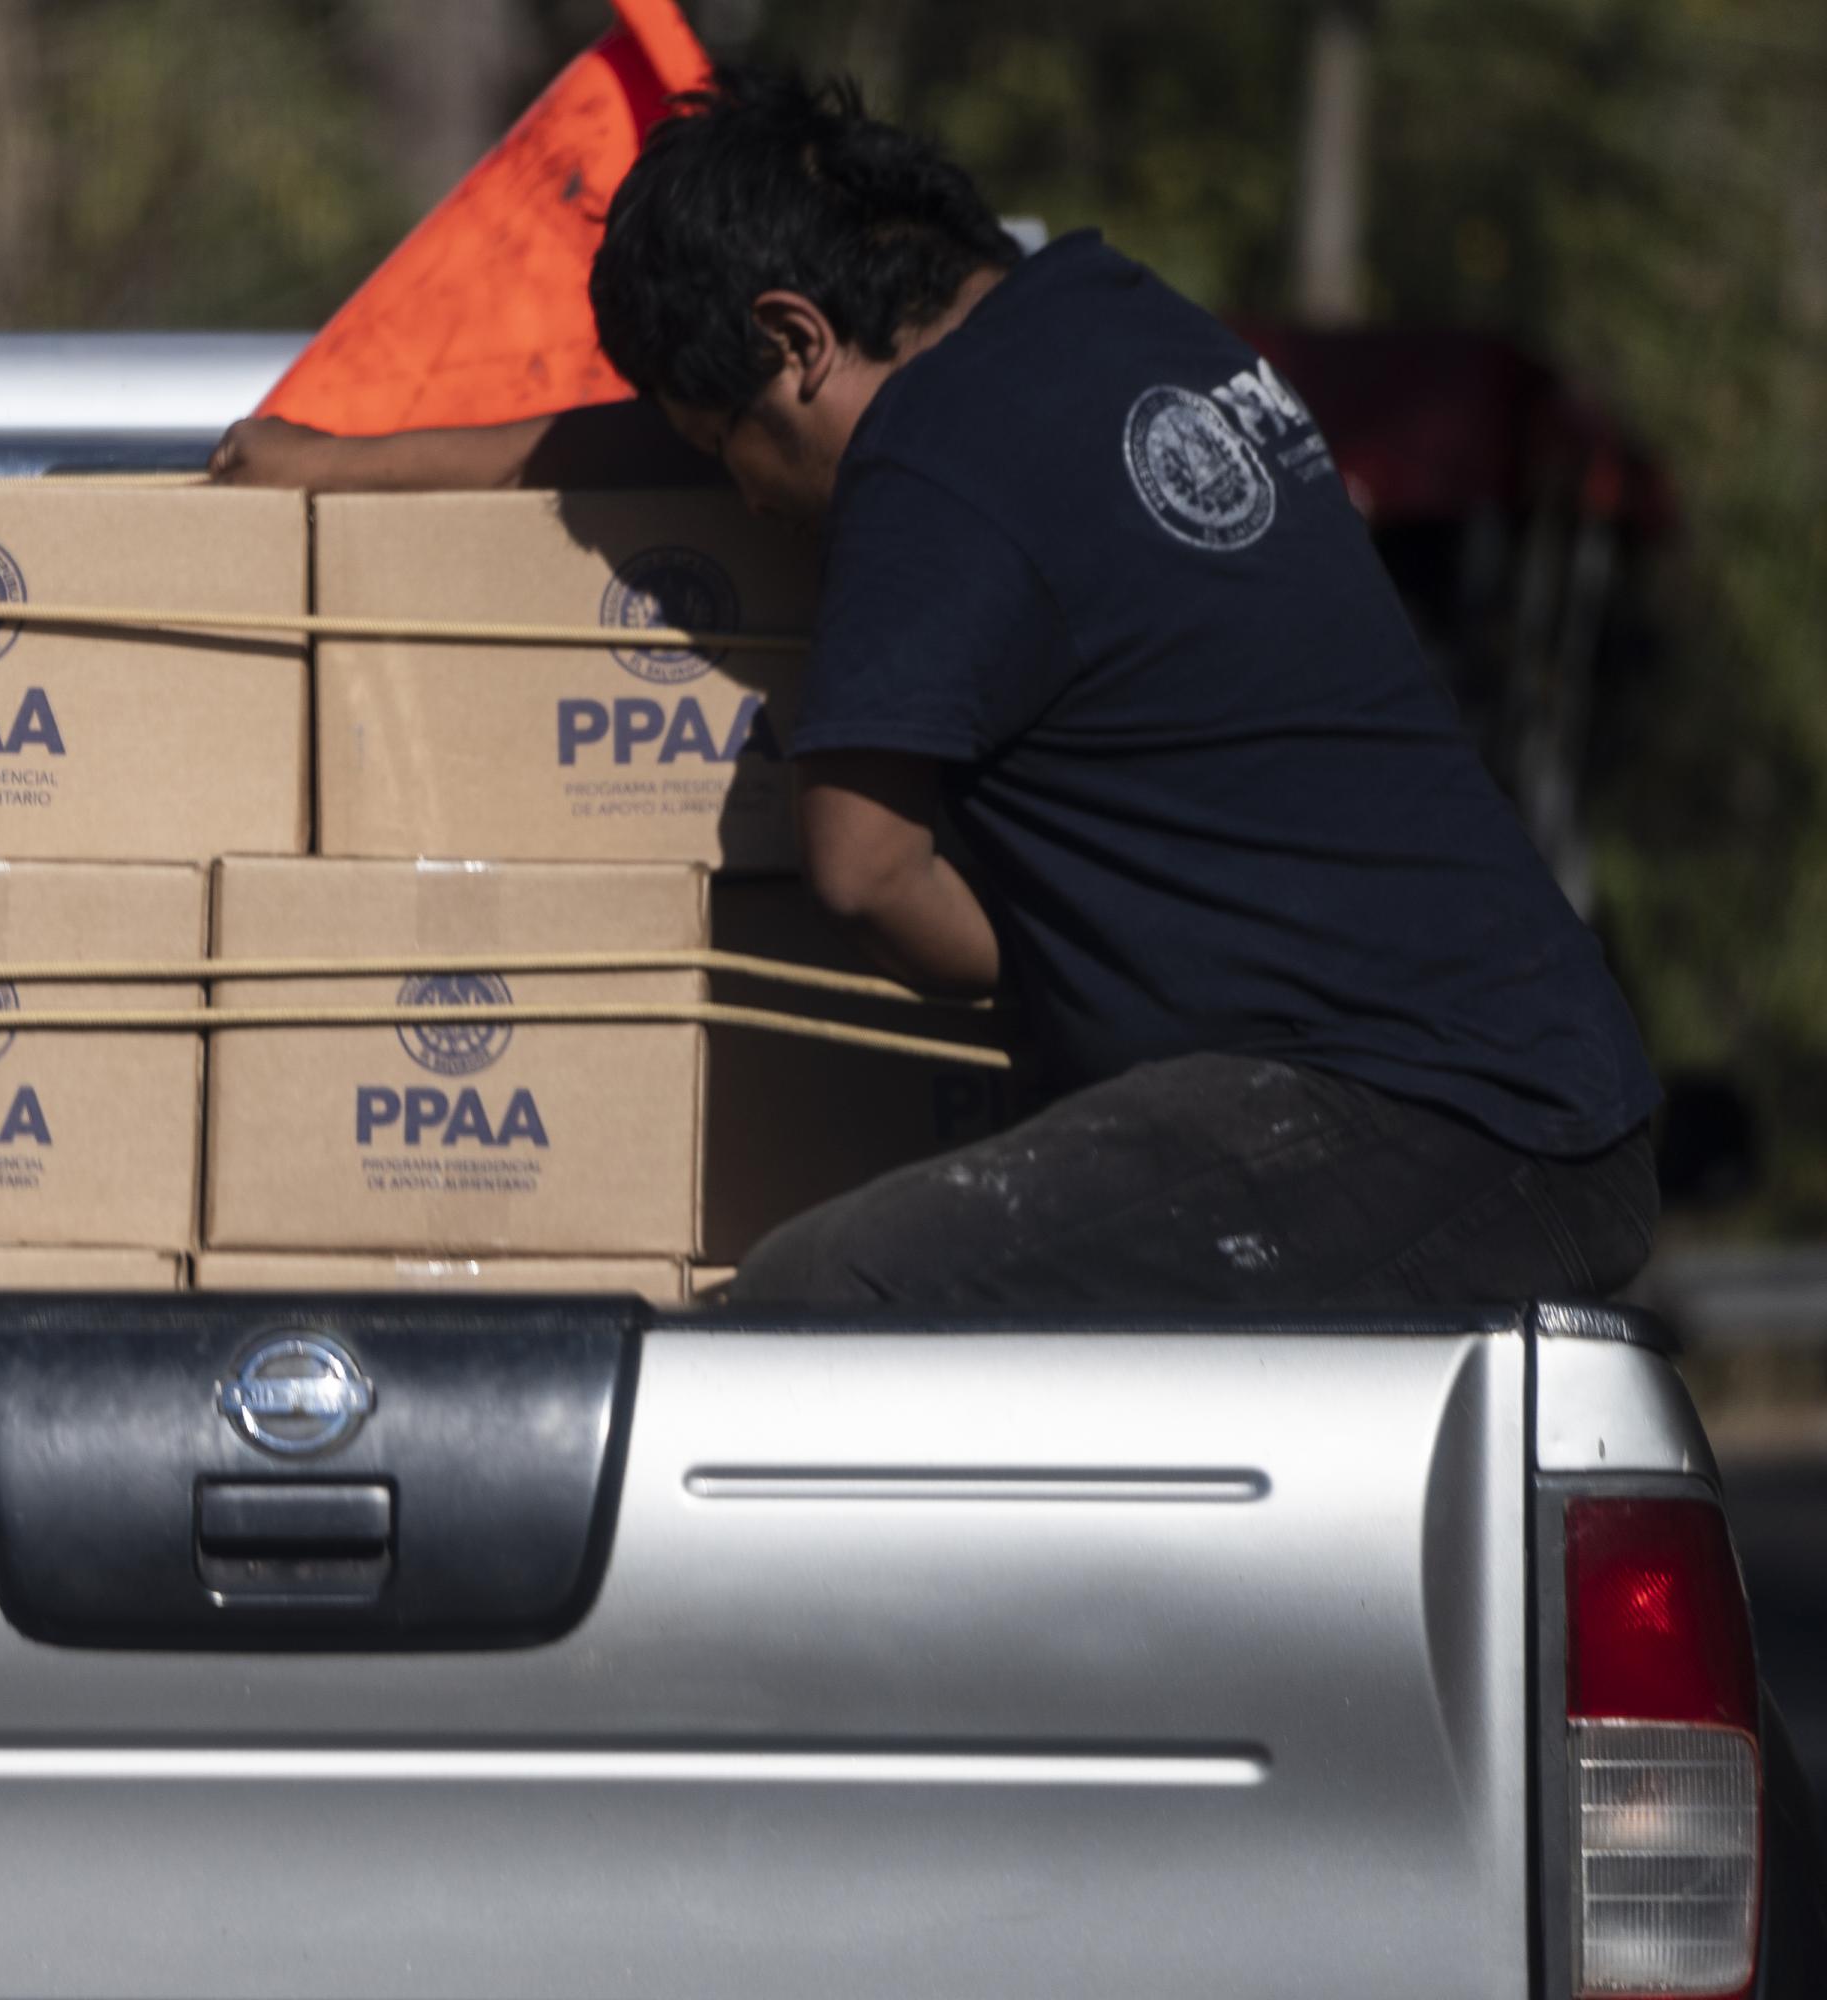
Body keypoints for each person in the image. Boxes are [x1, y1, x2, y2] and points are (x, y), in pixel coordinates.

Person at [213, 67, 1659, 1309]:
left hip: (1420, 1123)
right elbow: (663, 447)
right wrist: (338, 466)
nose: (748, 508)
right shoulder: (1113, 317)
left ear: (795, 338)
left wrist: (1057, 966)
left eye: (728, 451)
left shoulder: (930, 471)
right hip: (1536, 1073)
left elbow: (861, 865)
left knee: (828, 1299)